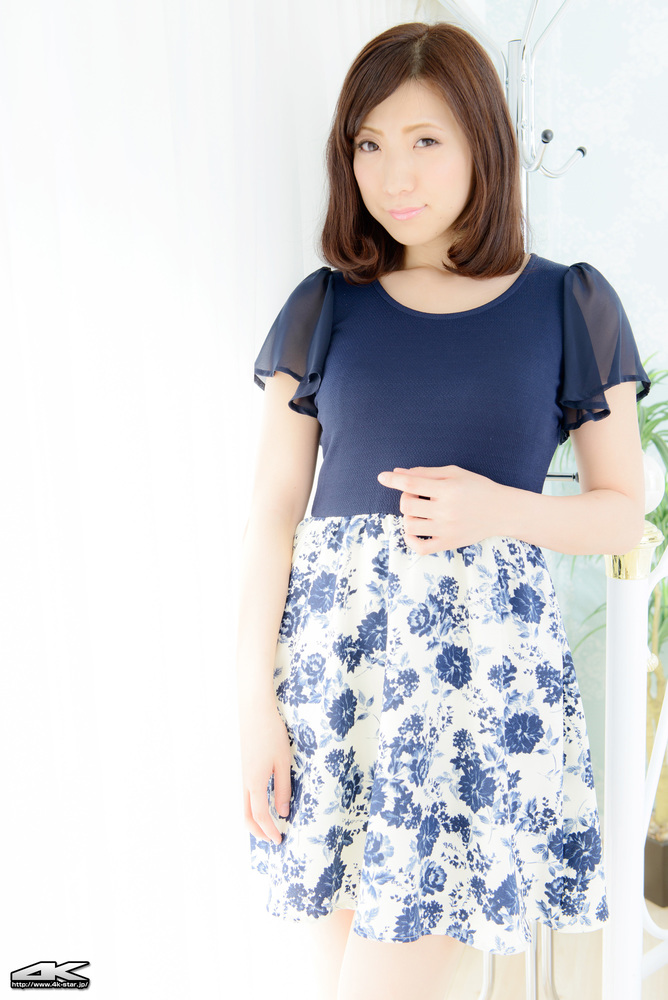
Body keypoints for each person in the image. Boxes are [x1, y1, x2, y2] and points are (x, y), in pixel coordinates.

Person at [236, 20, 651, 1000]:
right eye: (369, 143)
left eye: (425, 139)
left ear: (481, 142)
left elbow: (620, 516)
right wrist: (254, 704)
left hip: (474, 694)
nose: (394, 174)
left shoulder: (567, 304)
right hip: (334, 688)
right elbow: (272, 512)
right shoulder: (325, 307)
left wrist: (496, 509)